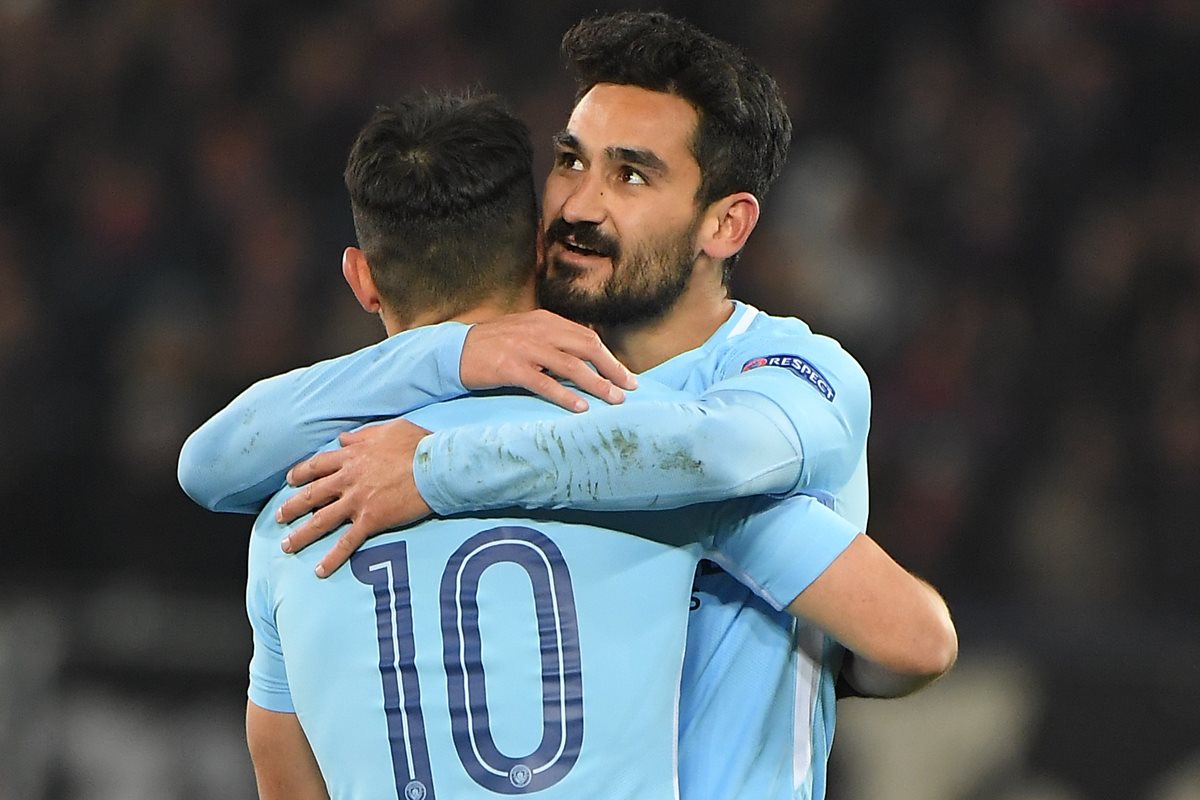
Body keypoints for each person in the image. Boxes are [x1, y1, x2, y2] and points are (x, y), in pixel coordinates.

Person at [179, 12, 957, 799]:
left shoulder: (792, 374)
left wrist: (435, 467)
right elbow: (209, 462)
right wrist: (451, 353)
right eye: (569, 161)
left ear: (726, 223)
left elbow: (709, 456)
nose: (580, 205)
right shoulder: (525, 385)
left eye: (631, 175)